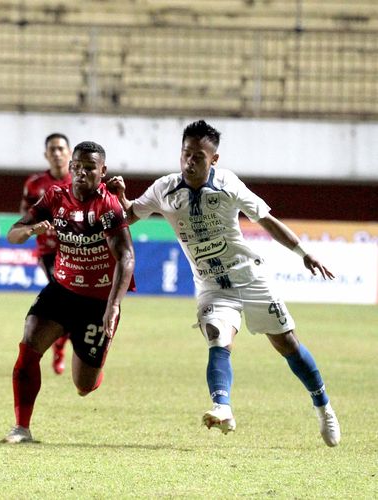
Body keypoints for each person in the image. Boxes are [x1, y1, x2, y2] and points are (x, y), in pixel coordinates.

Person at [108, 120, 341, 447]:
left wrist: (303, 253)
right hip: (210, 283)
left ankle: (324, 407)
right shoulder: (165, 189)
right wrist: (120, 197)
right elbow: (131, 214)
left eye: (198, 157)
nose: (189, 162)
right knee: (218, 337)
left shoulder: (229, 184)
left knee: (287, 344)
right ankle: (223, 408)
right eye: (185, 154)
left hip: (248, 275)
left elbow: (267, 221)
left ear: (213, 160)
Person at [3, 141, 136, 443]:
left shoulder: (108, 205)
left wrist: (114, 306)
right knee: (28, 344)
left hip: (98, 303)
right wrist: (30, 231)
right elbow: (13, 233)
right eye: (78, 166)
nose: (81, 172)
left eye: (90, 168)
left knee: (83, 386)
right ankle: (21, 428)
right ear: (71, 168)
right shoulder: (54, 197)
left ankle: (95, 363)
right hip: (62, 290)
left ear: (102, 172)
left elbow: (126, 257)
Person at [19, 133, 72, 375]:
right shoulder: (35, 184)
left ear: (69, 152)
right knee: (65, 297)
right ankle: (59, 346)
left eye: (61, 148)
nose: (57, 153)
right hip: (50, 251)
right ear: (46, 154)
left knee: (74, 305)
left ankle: (60, 344)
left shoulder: (80, 180)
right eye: (53, 149)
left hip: (78, 249)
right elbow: (25, 215)